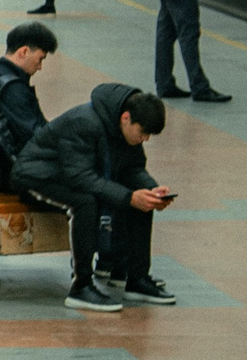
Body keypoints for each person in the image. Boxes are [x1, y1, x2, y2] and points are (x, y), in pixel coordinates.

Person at [11, 82, 176, 312]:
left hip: (72, 174)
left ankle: (136, 278)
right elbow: (79, 177)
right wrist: (128, 197)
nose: (145, 139)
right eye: (143, 132)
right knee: (86, 202)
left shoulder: (124, 130)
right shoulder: (85, 122)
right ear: (126, 118)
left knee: (142, 200)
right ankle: (81, 285)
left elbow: (133, 169)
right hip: (36, 176)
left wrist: (152, 190)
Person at [0, 21, 57, 192]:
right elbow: (33, 134)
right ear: (24, 51)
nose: (40, 67)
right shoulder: (11, 89)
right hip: (20, 171)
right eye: (40, 59)